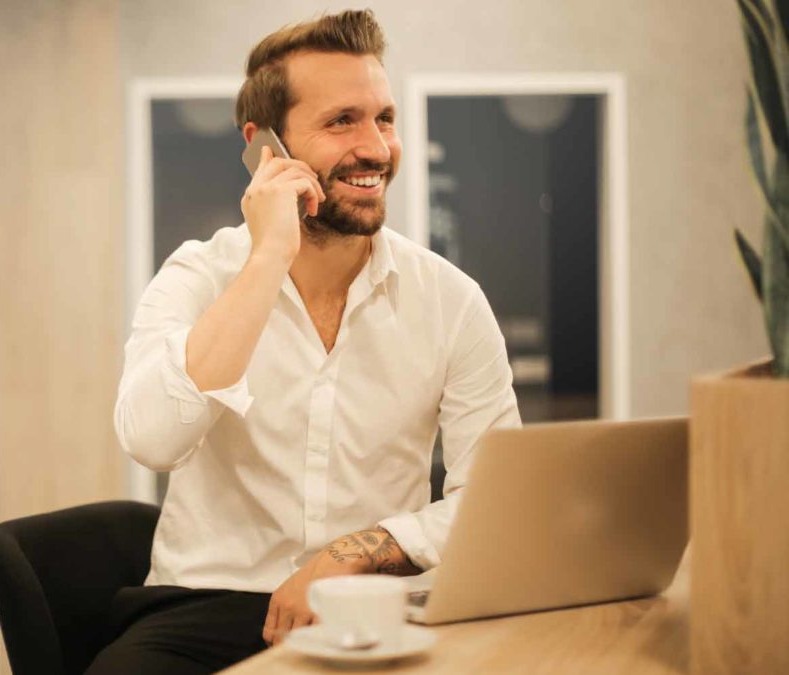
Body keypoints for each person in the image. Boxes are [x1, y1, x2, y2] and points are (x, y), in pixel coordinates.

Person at [97, 9, 521, 674]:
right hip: (206, 605)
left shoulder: (451, 300)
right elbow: (153, 439)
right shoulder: (198, 275)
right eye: (342, 121)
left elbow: (494, 500)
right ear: (266, 146)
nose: (377, 148)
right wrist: (267, 258)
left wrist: (352, 552)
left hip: (377, 602)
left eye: (384, 118)